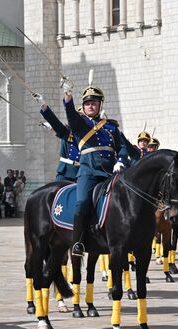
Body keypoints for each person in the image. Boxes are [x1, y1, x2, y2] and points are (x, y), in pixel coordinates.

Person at [62, 78, 129, 256]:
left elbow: (121, 146)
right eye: (88, 103)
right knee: (82, 202)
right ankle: (77, 242)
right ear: (83, 107)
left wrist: (121, 160)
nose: (91, 106)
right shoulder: (80, 124)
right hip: (89, 173)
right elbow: (70, 113)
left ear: (100, 105)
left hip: (110, 173)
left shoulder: (111, 127)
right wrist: (68, 95)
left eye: (94, 103)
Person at [33, 93, 81, 182]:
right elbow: (56, 124)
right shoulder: (68, 132)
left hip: (82, 173)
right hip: (66, 171)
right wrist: (43, 104)